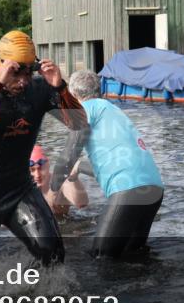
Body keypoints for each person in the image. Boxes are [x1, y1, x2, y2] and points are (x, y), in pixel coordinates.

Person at [0, 30, 87, 290]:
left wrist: (60, 86)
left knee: (53, 253)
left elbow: (79, 124)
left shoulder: (38, 88)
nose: (23, 81)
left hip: (19, 191)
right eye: (16, 72)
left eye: (28, 72)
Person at [53, 70, 165, 258]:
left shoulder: (85, 109)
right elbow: (115, 164)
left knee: (101, 257)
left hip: (129, 190)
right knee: (133, 256)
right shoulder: (112, 111)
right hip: (154, 189)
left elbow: (70, 151)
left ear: (73, 96)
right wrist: (79, 167)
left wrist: (54, 186)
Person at [30, 145, 88, 219]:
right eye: (32, 170)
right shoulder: (25, 187)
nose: (37, 175)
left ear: (48, 166)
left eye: (40, 169)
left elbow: (82, 203)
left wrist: (73, 178)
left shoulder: (60, 182)